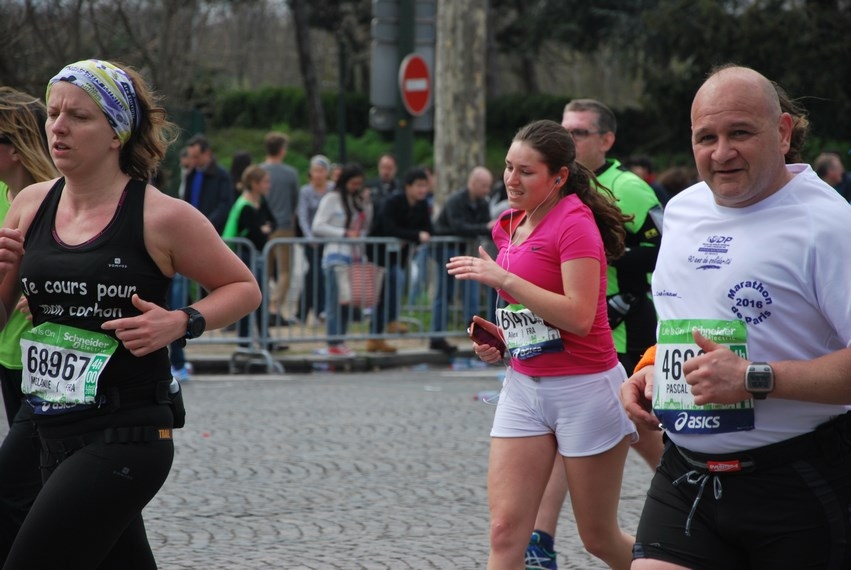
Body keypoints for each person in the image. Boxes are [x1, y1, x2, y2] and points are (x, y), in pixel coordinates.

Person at [0, 59, 260, 569]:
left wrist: (181, 321)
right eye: (53, 113)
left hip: (126, 430)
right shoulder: (30, 203)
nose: (58, 127)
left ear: (117, 132)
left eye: (79, 116)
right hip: (46, 420)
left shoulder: (161, 215)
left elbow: (243, 287)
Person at [621, 65, 851, 570]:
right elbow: (690, 320)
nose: (721, 153)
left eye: (740, 133)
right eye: (707, 137)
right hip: (687, 475)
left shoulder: (830, 225)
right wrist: (651, 368)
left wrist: (753, 379)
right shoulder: (681, 210)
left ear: (784, 132)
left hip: (797, 479)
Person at [447, 119, 637, 570]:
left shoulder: (575, 224)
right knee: (505, 532)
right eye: (509, 168)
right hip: (525, 386)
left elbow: (577, 315)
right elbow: (524, 312)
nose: (511, 180)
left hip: (585, 389)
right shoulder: (509, 224)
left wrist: (502, 276)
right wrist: (498, 343)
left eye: (526, 172)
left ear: (558, 177)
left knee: (598, 537)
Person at [523, 99, 665, 570]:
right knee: (570, 442)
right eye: (565, 130)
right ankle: (539, 539)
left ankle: (701, 513)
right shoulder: (550, 190)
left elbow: (664, 253)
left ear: (606, 140)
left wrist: (594, 257)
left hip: (623, 337)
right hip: (568, 342)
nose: (571, 138)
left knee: (651, 440)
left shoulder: (632, 188)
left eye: (581, 132)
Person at [0, 87, 58, 566]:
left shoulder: (53, 199)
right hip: (11, 355)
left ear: (14, 147)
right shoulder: (8, 196)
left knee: (17, 487)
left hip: (45, 365)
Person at [367, 167, 433, 353]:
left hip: (399, 257)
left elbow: (429, 228)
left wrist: (417, 235)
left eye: (425, 186)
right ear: (408, 187)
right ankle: (381, 328)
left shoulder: (421, 205)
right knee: (386, 292)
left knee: (392, 290)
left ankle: (381, 331)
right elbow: (389, 229)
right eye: (419, 186)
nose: (422, 190)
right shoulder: (393, 202)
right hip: (379, 256)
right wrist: (416, 235)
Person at [429, 165, 494, 354]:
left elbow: (481, 226)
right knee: (445, 293)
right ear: (473, 183)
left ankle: (475, 334)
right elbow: (460, 227)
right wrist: (482, 227)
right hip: (445, 250)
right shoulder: (456, 200)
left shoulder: (482, 203)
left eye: (488, 187)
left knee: (471, 292)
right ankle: (437, 336)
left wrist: (481, 228)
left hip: (465, 249)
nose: (487, 191)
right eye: (484, 186)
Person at [311, 164, 373, 356]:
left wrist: (367, 203)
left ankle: (341, 339)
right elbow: (318, 226)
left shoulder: (356, 201)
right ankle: (332, 341)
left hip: (353, 258)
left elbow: (366, 224)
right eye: (353, 183)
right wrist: (344, 233)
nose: (356, 187)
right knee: (334, 302)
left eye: (359, 184)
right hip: (335, 257)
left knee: (347, 302)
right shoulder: (331, 199)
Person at [222, 165, 276, 348]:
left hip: (254, 254)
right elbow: (258, 235)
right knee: (248, 298)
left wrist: (264, 229)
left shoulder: (259, 200)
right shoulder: (245, 205)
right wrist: (264, 229)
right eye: (265, 182)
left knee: (260, 297)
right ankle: (245, 341)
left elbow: (272, 223)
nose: (269, 185)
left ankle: (264, 338)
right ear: (255, 183)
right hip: (244, 254)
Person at [260, 132, 300, 321]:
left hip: (264, 227)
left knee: (264, 271)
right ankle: (275, 305)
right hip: (284, 226)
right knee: (285, 270)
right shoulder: (290, 174)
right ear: (282, 150)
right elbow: (295, 202)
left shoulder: (259, 171)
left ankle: (261, 305)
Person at [295, 155, 334, 327]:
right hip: (312, 241)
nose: (318, 175)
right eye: (315, 171)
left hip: (329, 239)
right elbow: (302, 215)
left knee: (318, 275)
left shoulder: (332, 189)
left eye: (321, 171)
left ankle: (310, 311)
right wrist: (309, 236)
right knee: (315, 273)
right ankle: (316, 311)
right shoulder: (305, 191)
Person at [184, 133, 234, 234]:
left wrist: (208, 223)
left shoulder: (221, 175)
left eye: (196, 157)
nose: (193, 161)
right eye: (191, 157)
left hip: (212, 230)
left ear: (207, 153)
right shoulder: (191, 174)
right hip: (193, 227)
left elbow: (225, 204)